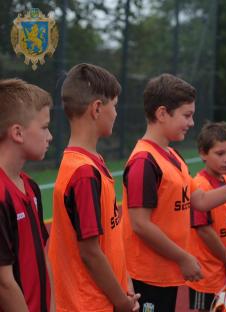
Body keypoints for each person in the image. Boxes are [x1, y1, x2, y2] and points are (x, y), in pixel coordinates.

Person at [122, 74, 226, 312]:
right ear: (162, 113)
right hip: (147, 277)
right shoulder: (144, 161)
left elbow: (201, 201)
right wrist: (183, 257)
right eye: (187, 115)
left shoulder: (173, 156)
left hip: (166, 273)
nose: (192, 122)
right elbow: (140, 224)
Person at [48, 64, 139, 312]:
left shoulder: (90, 163)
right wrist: (121, 301)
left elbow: (107, 238)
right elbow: (90, 252)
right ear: (97, 108)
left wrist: (124, 280)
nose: (117, 114)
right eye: (115, 106)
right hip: (88, 303)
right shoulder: (83, 173)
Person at [0, 79, 54, 311]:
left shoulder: (30, 186)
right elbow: (4, 283)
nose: (50, 136)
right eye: (44, 127)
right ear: (18, 133)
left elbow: (42, 255)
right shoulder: (2, 195)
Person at [187, 121, 226, 311]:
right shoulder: (200, 185)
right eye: (220, 153)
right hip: (207, 273)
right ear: (203, 153)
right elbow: (204, 231)